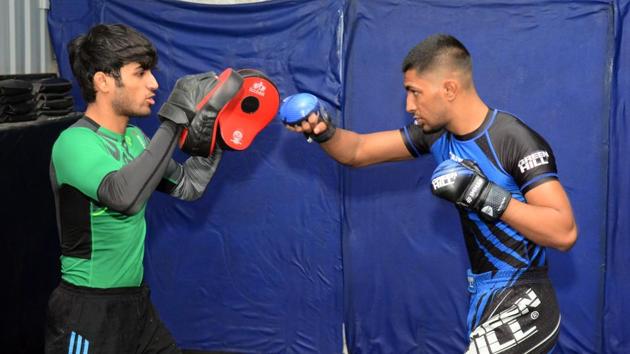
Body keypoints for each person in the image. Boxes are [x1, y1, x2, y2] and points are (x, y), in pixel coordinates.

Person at [281, 34, 577, 353]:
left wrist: (483, 195)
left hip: (525, 299)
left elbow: (563, 232)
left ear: (449, 89)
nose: (409, 105)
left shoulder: (513, 139)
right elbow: (358, 151)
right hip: (484, 296)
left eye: (414, 93)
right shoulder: (435, 136)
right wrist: (324, 132)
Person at [46, 24, 223, 354]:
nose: (154, 83)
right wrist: (176, 118)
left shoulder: (136, 139)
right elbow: (123, 196)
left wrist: (217, 139)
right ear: (102, 81)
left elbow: (188, 185)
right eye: (141, 73)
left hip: (136, 306)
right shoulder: (73, 143)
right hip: (87, 310)